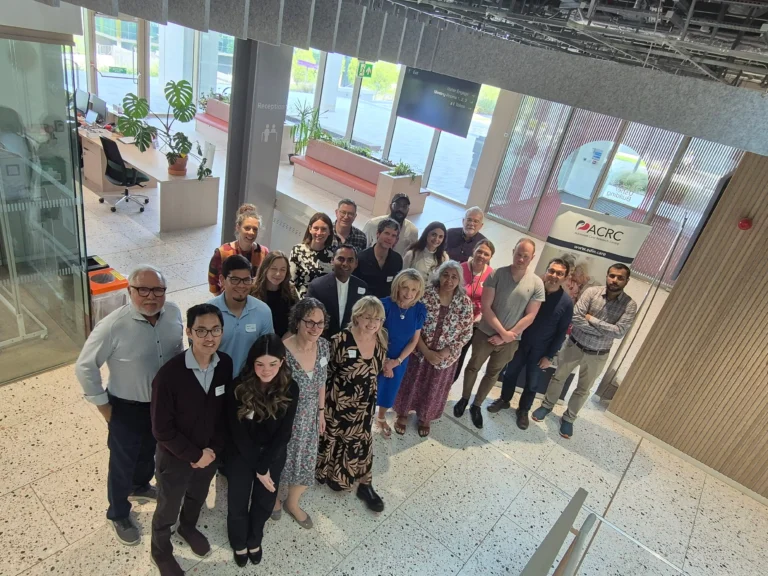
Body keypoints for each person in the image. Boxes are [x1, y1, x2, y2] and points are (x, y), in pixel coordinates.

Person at [75, 265, 183, 546]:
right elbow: (85, 366)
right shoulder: (113, 325)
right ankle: (118, 513)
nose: (151, 296)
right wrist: (104, 407)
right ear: (129, 290)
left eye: (158, 290)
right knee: (122, 462)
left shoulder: (173, 313)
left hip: (161, 405)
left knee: (149, 450)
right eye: (143, 290)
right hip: (126, 407)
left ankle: (140, 485)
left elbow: (177, 352)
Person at [150, 304, 233, 576]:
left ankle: (187, 527)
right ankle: (160, 550)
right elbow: (162, 430)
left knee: (197, 495)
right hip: (175, 458)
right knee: (168, 505)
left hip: (209, 454)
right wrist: (195, 455)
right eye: (201, 331)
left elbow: (223, 413)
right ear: (189, 332)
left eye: (215, 330)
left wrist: (212, 452)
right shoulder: (169, 376)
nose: (209, 337)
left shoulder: (225, 364)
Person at [532, 264, 638, 438]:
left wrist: (591, 319)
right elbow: (576, 318)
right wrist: (603, 330)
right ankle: (546, 405)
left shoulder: (630, 305)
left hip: (598, 354)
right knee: (558, 378)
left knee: (583, 389)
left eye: (620, 278)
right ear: (607, 276)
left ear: (627, 281)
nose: (615, 280)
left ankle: (569, 418)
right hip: (574, 345)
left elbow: (619, 332)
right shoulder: (591, 292)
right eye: (612, 275)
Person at [454, 238, 545, 429]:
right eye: (518, 254)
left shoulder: (537, 283)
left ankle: (477, 405)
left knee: (493, 373)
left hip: (510, 340)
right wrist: (503, 333)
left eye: (525, 256)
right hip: (485, 333)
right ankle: (464, 398)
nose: (521, 259)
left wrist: (507, 336)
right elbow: (485, 307)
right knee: (473, 367)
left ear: (532, 257)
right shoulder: (496, 274)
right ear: (513, 252)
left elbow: (531, 315)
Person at [226, 335, 300, 567]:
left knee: (265, 501)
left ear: (282, 361)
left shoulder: (291, 388)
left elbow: (284, 433)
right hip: (241, 452)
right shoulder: (238, 387)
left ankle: (254, 538)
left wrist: (264, 465)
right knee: (237, 500)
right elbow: (237, 432)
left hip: (272, 455)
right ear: (252, 363)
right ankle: (238, 540)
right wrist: (259, 467)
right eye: (259, 364)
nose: (266, 370)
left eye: (272, 364)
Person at [316, 296, 387, 512]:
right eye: (368, 317)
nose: (373, 323)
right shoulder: (339, 340)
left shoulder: (381, 338)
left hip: (365, 406)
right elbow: (325, 374)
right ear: (357, 316)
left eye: (377, 319)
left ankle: (365, 484)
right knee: (336, 440)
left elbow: (376, 371)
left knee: (362, 442)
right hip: (338, 406)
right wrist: (322, 408)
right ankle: (331, 474)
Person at [488, 258, 573, 430]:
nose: (554, 276)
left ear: (565, 277)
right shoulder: (534, 289)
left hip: (541, 349)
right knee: (510, 373)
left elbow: (561, 333)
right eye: (552, 271)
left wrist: (549, 356)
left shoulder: (566, 302)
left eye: (559, 273)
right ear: (546, 271)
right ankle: (504, 400)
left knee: (532, 383)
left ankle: (523, 410)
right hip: (519, 342)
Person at [393, 261, 473, 437]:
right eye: (445, 275)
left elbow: (467, 332)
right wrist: (426, 351)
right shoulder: (426, 295)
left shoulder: (464, 302)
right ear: (439, 275)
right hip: (419, 352)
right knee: (410, 383)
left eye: (454, 277)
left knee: (434, 389)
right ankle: (403, 413)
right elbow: (412, 323)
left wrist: (447, 351)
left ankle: (425, 418)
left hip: (445, 358)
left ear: (459, 280)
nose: (449, 280)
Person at [272, 298, 330, 528]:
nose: (315, 328)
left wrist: (321, 412)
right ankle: (274, 498)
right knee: (280, 458)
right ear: (297, 322)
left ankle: (292, 502)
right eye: (309, 322)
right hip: (287, 417)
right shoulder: (283, 351)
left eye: (320, 323)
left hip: (311, 416)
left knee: (306, 459)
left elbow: (322, 381)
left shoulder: (323, 346)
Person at [375, 269, 427, 437]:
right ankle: (363, 417)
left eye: (414, 289)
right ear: (397, 286)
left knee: (389, 390)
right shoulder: (383, 305)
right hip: (377, 355)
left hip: (400, 358)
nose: (409, 293)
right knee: (370, 388)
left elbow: (414, 341)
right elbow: (374, 335)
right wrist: (384, 361)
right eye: (405, 287)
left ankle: (380, 417)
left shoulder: (419, 309)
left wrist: (395, 362)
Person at [209, 255, 274, 377]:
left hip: (250, 381)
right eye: (235, 280)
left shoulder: (263, 311)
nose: (241, 285)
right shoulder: (208, 312)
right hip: (215, 380)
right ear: (222, 280)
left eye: (246, 280)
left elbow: (268, 351)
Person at [454, 239, 495, 382]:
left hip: (474, 323)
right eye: (479, 251)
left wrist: (478, 317)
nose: (482, 256)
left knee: (460, 354)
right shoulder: (460, 268)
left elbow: (490, 301)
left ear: (490, 257)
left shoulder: (492, 275)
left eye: (486, 254)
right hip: (454, 320)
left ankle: (449, 384)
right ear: (474, 251)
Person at [306, 244, 368, 337]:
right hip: (321, 339)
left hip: (350, 340)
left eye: (350, 260)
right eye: (341, 259)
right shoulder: (317, 286)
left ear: (356, 264)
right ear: (332, 260)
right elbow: (308, 316)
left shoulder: (362, 287)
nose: (345, 264)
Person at [209, 204, 269, 295]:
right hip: (229, 299)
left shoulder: (264, 252)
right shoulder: (223, 252)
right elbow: (212, 279)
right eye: (247, 228)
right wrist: (221, 298)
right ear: (238, 227)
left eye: (255, 229)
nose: (251, 232)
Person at [250, 251, 299, 338]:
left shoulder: (291, 292)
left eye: (282, 270)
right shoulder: (251, 290)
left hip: (284, 341)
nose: (278, 274)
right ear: (265, 269)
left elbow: (297, 321)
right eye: (273, 268)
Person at [354, 218, 404, 298]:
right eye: (387, 233)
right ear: (378, 234)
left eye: (393, 235)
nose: (389, 238)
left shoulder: (397, 260)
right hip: (364, 302)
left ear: (396, 240)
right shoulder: (361, 258)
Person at [290, 212, 335, 297]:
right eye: (316, 228)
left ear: (329, 231)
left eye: (323, 229)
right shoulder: (298, 250)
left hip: (322, 301)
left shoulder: (335, 255)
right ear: (310, 229)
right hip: (300, 300)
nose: (319, 232)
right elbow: (291, 281)